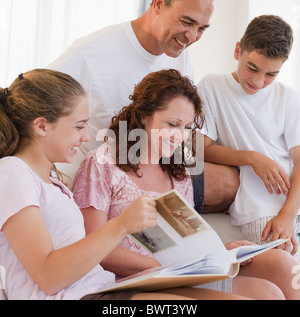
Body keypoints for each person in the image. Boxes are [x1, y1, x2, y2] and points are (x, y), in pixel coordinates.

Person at [0, 68, 247, 301]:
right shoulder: (13, 171)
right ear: (42, 126)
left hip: (100, 290)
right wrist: (121, 224)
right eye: (78, 127)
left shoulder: (53, 184)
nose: (86, 137)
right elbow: (49, 277)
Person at [72, 69, 300, 300]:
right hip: (137, 280)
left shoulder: (179, 173)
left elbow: (188, 243)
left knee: (279, 271)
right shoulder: (102, 164)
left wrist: (220, 252)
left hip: (183, 273)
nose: (180, 136)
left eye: (188, 127)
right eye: (172, 124)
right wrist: (162, 266)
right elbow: (94, 248)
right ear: (143, 116)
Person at [48, 0, 239, 214]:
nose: (193, 37)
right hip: (113, 170)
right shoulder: (91, 53)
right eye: (187, 22)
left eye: (202, 28)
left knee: (232, 181)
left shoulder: (181, 58)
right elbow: (34, 100)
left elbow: (182, 124)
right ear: (157, 4)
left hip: (159, 165)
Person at [198, 15, 300, 262]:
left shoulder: (287, 97)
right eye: (252, 68)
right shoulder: (212, 86)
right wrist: (252, 158)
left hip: (290, 204)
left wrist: (288, 214)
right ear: (237, 50)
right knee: (288, 273)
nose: (258, 81)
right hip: (262, 207)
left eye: (271, 74)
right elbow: (202, 149)